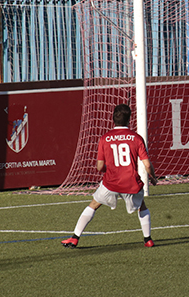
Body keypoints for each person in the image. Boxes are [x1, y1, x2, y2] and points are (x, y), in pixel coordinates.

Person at [62, 103, 157, 248]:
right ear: (129, 119)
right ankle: (148, 239)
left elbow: (100, 166)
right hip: (131, 183)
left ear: (113, 119)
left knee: (94, 204)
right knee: (142, 206)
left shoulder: (104, 138)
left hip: (111, 182)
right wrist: (153, 177)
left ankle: (75, 237)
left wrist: (110, 169)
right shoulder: (136, 138)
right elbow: (147, 165)